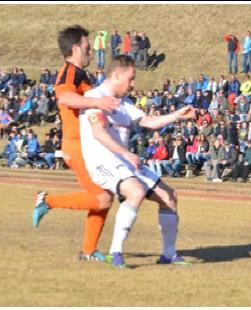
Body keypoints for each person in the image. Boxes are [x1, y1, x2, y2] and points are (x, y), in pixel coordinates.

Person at [80, 55, 196, 267]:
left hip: (123, 162)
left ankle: (168, 254)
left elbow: (148, 122)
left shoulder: (124, 103)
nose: (133, 85)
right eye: (130, 79)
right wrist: (126, 154)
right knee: (136, 192)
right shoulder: (94, 97)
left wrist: (177, 115)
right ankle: (115, 253)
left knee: (169, 196)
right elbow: (98, 133)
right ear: (116, 75)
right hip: (102, 161)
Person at [32, 25, 120, 261]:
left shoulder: (82, 74)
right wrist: (98, 104)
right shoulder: (69, 71)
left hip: (88, 145)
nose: (91, 50)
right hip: (77, 145)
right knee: (103, 197)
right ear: (75, 48)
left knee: (105, 195)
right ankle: (48, 200)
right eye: (87, 46)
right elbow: (65, 97)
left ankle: (89, 251)